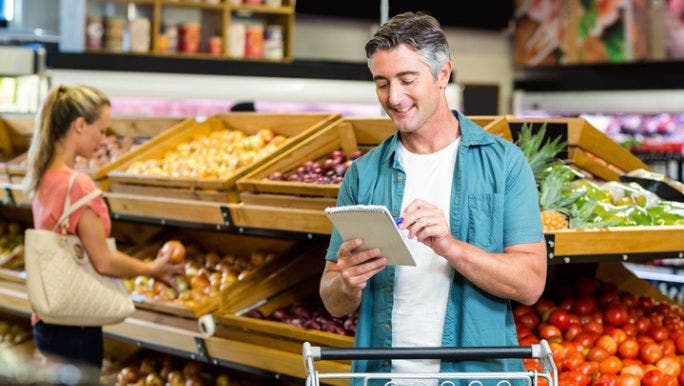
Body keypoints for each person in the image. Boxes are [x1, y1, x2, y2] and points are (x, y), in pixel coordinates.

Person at [319, 12, 547, 385]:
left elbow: (530, 284)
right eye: (382, 83)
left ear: (443, 74)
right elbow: (333, 299)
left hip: (475, 378)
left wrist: (450, 247)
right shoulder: (363, 173)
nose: (393, 97)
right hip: (383, 378)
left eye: (407, 80)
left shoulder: (503, 163)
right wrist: (346, 281)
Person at [24, 85, 183, 373]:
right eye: (101, 130)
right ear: (79, 125)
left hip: (47, 319)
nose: (104, 139)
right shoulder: (77, 184)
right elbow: (104, 262)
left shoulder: (43, 175)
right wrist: (152, 269)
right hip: (76, 323)